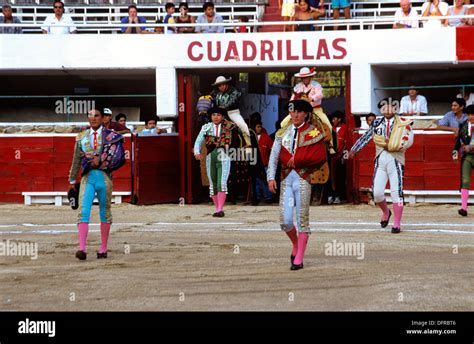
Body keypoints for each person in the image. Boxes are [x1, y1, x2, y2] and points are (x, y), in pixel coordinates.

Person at [267, 99, 327, 270]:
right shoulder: (282, 133)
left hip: (303, 179)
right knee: (285, 221)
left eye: (299, 112)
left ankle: (299, 257)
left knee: (302, 220)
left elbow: (319, 156)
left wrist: (299, 160)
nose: (295, 115)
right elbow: (274, 156)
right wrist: (271, 177)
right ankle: (296, 245)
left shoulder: (314, 132)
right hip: (286, 179)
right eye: (292, 111)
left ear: (306, 113)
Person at [348, 98, 414, 234]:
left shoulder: (404, 122)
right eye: (384, 108)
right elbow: (366, 137)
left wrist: (397, 145)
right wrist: (354, 149)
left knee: (397, 192)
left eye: (390, 107)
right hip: (380, 161)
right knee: (377, 194)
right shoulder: (377, 123)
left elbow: (409, 139)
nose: (387, 110)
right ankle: (386, 212)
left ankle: (396, 224)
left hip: (396, 160)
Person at [68, 110, 126, 260]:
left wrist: (101, 161)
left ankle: (103, 248)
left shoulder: (111, 136)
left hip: (105, 178)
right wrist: (72, 180)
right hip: (88, 178)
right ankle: (81, 249)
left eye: (96, 115)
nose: (93, 118)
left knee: (105, 212)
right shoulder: (81, 138)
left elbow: (119, 158)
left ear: (103, 118)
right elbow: (76, 160)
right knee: (83, 211)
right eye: (90, 116)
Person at [193, 107, 239, 217]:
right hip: (210, 157)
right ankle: (217, 208)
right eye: (213, 115)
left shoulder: (229, 127)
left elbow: (236, 141)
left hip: (224, 156)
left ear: (222, 117)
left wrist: (230, 147)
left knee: (221, 183)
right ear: (210, 116)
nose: (216, 117)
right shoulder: (206, 127)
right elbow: (198, 140)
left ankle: (219, 209)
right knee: (213, 184)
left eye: (218, 115)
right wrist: (196, 152)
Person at [283, 67, 335, 155]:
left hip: (315, 109)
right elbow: (292, 99)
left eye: (306, 77)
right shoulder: (297, 87)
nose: (305, 79)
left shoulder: (316, 85)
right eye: (303, 77)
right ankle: (284, 144)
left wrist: (312, 98)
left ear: (310, 77)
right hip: (300, 111)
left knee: (328, 124)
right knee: (283, 123)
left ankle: (331, 146)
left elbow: (320, 94)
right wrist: (291, 109)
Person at [211, 76, 251, 147]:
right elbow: (214, 102)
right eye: (219, 85)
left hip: (232, 112)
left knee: (242, 125)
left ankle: (248, 144)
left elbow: (233, 100)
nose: (221, 87)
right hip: (220, 113)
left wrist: (225, 107)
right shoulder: (217, 94)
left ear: (226, 84)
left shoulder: (233, 91)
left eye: (223, 84)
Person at [453, 105, 474, 216]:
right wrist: (455, 152)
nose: (470, 117)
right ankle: (464, 208)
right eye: (469, 114)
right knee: (465, 181)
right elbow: (458, 141)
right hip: (467, 157)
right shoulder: (463, 125)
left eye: (472, 114)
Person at [328, 111, 347, 204]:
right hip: (332, 156)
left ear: (339, 119)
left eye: (334, 119)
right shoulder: (331, 128)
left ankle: (338, 196)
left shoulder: (345, 128)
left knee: (339, 177)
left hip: (340, 156)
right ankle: (331, 194)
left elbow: (346, 143)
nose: (332, 120)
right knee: (331, 176)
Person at [255, 121, 274, 204]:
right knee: (257, 182)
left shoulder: (266, 138)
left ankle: (268, 197)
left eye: (259, 127)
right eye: (256, 127)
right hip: (254, 164)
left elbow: (273, 150)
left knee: (266, 181)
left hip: (264, 163)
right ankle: (258, 197)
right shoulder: (251, 137)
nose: (258, 128)